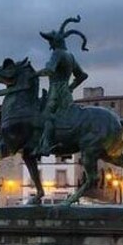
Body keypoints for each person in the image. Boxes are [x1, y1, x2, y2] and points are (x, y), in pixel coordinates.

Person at [35, 16, 89, 156]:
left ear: (54, 42)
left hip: (55, 92)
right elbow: (82, 76)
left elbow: (49, 70)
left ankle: (45, 145)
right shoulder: (70, 56)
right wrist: (70, 87)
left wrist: (33, 75)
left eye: (50, 42)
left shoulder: (57, 54)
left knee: (46, 116)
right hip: (66, 93)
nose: (50, 45)